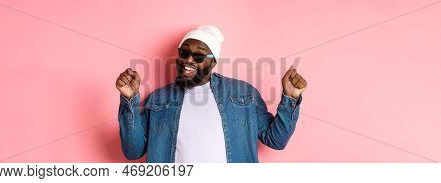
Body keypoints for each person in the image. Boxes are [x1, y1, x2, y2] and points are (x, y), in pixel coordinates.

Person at [116, 25, 307, 163]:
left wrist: (290, 98)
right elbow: (133, 152)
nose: (188, 60)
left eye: (198, 56)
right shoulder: (158, 99)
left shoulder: (243, 95)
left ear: (213, 62)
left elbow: (276, 140)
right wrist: (129, 101)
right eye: (184, 53)